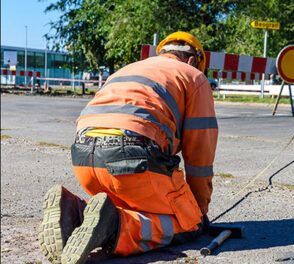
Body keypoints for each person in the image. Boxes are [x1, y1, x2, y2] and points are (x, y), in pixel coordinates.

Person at [38, 31, 218, 264]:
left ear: (161, 53)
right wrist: (198, 210)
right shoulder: (193, 76)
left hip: (83, 155)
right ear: (194, 61)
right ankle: (114, 226)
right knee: (189, 223)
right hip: (134, 158)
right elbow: (199, 153)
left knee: (128, 201)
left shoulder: (128, 69)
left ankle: (74, 210)